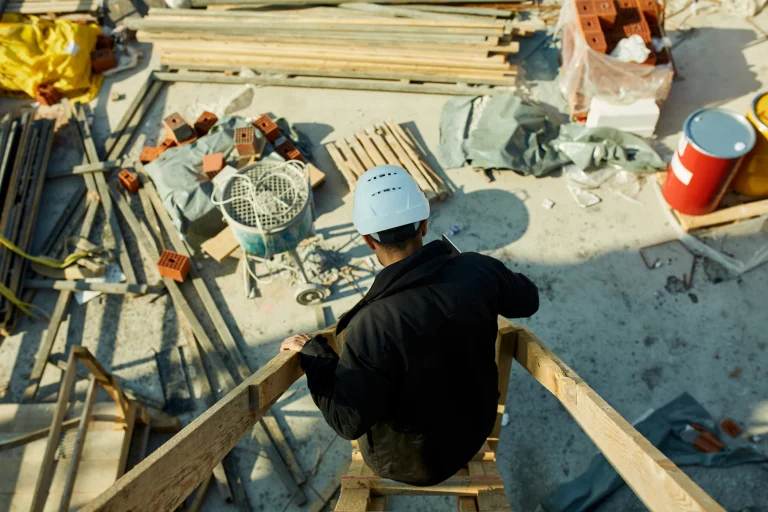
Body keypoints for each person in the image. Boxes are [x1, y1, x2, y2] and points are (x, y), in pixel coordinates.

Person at [280, 165, 539, 486]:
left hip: (408, 464)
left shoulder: (368, 327)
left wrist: (313, 354)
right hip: (473, 432)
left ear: (367, 240)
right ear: (425, 224)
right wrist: (483, 278)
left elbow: (347, 421)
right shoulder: (478, 269)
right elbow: (528, 301)